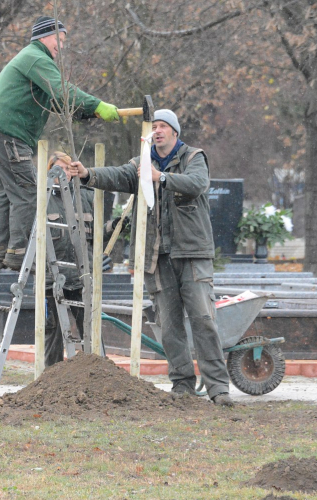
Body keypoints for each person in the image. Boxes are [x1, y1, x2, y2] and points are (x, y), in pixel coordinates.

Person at [67, 109, 234, 407]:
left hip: (192, 254)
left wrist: (162, 177)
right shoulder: (140, 163)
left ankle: (218, 388)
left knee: (203, 320)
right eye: (153, 126)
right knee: (169, 326)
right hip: (156, 258)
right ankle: (181, 384)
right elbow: (118, 175)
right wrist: (88, 173)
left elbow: (197, 184)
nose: (157, 131)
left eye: (163, 127)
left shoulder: (193, 157)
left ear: (174, 132)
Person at [0, 16, 120, 271]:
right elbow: (63, 90)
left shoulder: (31, 60)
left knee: (5, 193)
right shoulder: (36, 58)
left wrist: (83, 112)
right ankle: (19, 253)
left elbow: (53, 102)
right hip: (9, 132)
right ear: (45, 36)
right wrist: (97, 105)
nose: (61, 47)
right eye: (60, 40)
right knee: (28, 192)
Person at [42, 152, 115, 367]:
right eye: (59, 169)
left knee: (90, 332)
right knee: (51, 334)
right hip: (51, 281)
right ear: (50, 171)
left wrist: (114, 227)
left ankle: (95, 375)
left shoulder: (86, 196)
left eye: (68, 169)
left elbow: (96, 234)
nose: (64, 174)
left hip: (82, 279)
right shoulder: (42, 198)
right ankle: (50, 379)